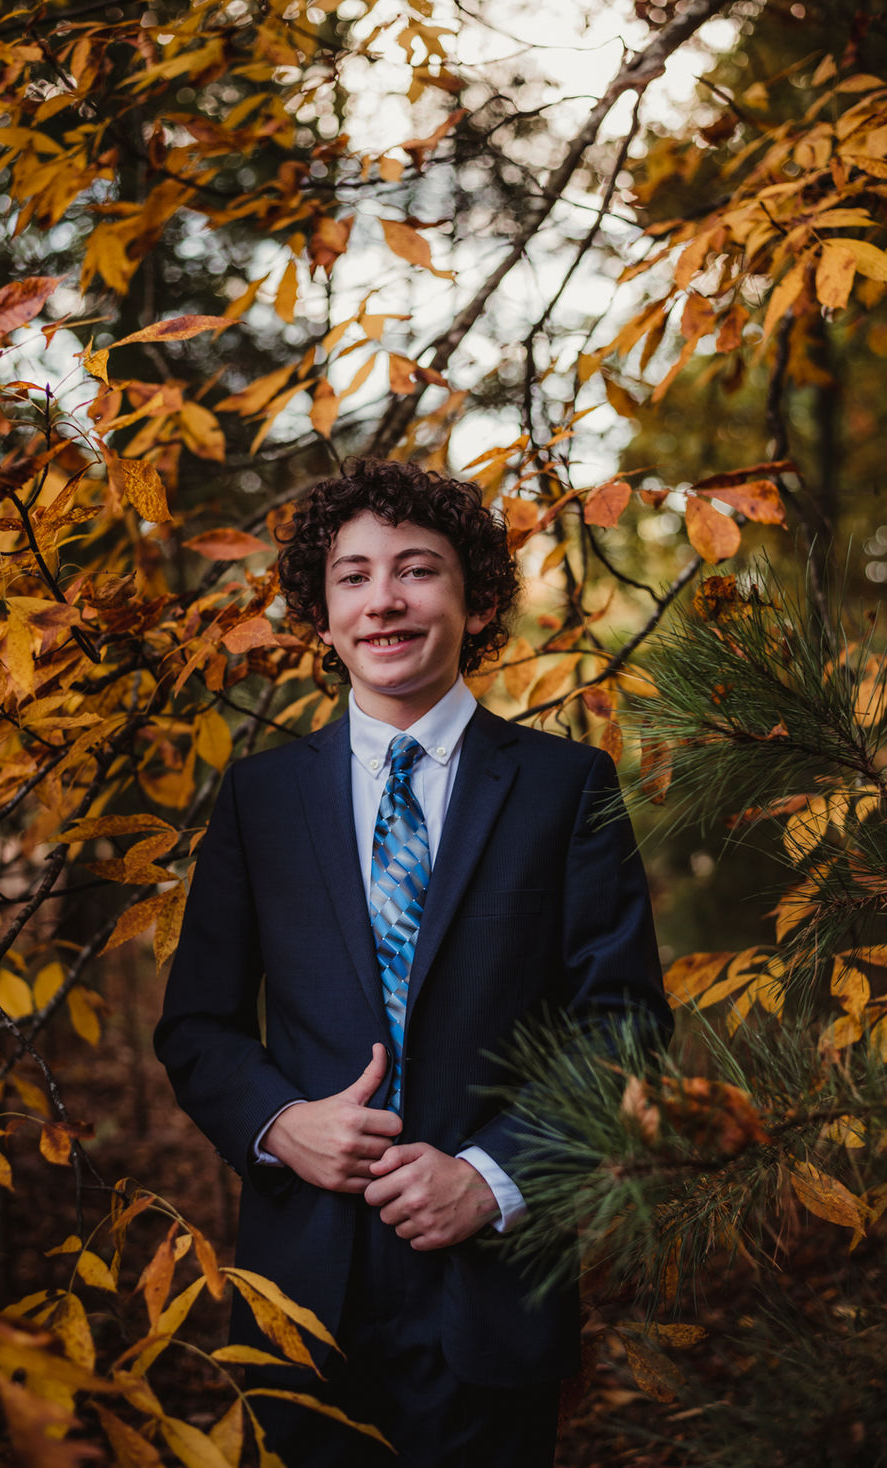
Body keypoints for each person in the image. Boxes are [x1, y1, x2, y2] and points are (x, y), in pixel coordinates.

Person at [155, 457, 671, 1466]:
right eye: (352, 575)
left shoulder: (566, 787)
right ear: (320, 613)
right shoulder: (260, 799)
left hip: (490, 1284)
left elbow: (623, 1024)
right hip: (299, 1288)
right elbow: (197, 1027)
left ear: (476, 601)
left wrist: (492, 1175)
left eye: (416, 569)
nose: (383, 598)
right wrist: (277, 1122)